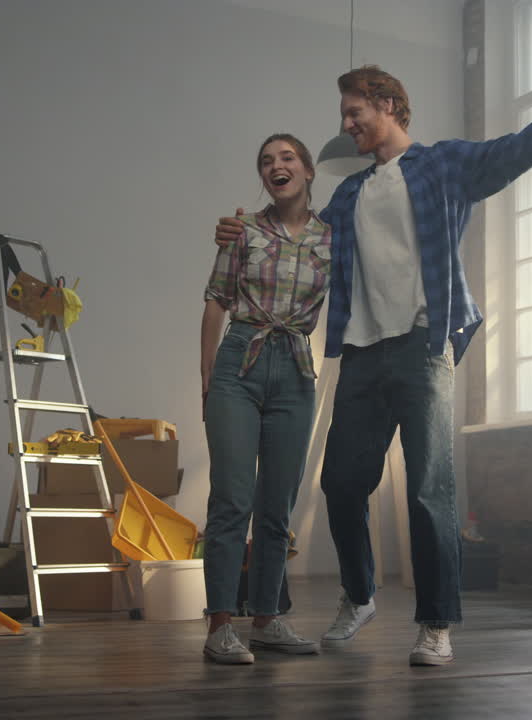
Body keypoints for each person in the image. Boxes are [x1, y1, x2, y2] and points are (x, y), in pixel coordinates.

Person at [214, 39, 532, 666]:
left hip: (423, 346)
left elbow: (520, 149)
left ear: (388, 104)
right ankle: (360, 594)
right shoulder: (348, 198)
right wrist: (243, 230)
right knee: (341, 485)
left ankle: (436, 623)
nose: (347, 124)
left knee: (430, 489)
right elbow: (298, 239)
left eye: (355, 112)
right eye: (344, 115)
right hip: (361, 354)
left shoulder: (444, 166)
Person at [198, 133, 332, 664]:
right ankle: (219, 627)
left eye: (287, 158)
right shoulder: (243, 230)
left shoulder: (331, 238)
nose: (276, 166)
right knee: (232, 499)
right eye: (266, 161)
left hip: (296, 368)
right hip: (240, 360)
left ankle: (268, 621)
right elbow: (215, 302)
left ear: (306, 171)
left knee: (277, 506)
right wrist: (208, 377)